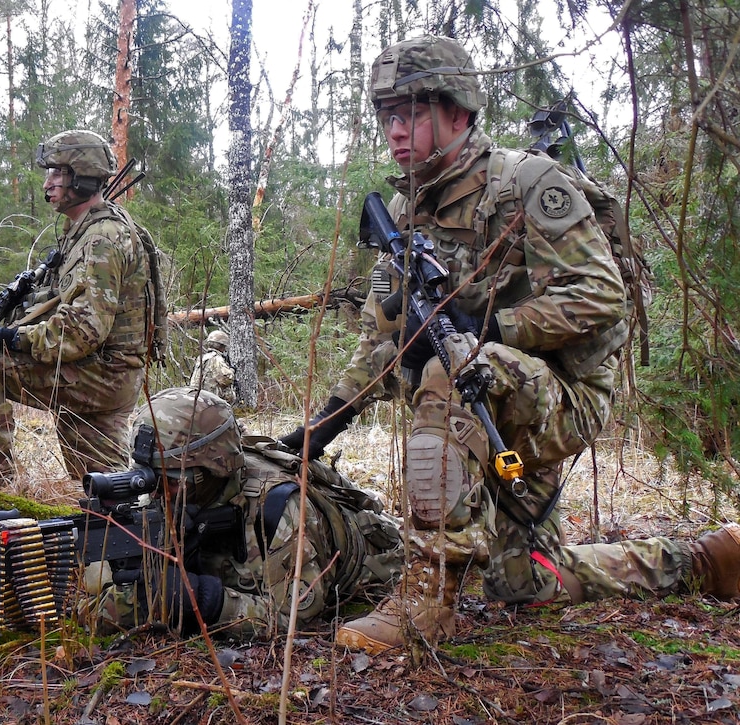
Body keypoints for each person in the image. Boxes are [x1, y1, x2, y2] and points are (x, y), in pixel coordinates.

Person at [278, 35, 740, 654]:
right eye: (388, 115)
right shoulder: (401, 211)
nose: (395, 130)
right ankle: (704, 561)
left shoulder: (528, 185)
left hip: (559, 398)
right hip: (490, 406)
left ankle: (426, 599)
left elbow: (602, 295)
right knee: (519, 581)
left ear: (460, 114)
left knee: (453, 363)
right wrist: (326, 423)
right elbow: (378, 338)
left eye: (412, 113)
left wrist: (492, 330)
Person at [86, 387, 403, 638]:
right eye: (148, 476)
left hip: (379, 559)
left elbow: (295, 618)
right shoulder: (162, 495)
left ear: (214, 467)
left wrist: (204, 599)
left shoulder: (280, 506)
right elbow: (99, 605)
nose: (156, 493)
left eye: (170, 480)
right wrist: (133, 591)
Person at [0, 129, 160, 483]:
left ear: (82, 177)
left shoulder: (100, 240)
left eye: (57, 173)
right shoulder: (88, 229)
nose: (47, 183)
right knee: (104, 494)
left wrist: (6, 338)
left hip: (101, 374)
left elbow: (82, 330)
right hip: (110, 373)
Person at [188, 329, 237, 404]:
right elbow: (226, 380)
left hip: (199, 398)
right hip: (212, 401)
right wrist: (232, 371)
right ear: (221, 346)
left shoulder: (202, 358)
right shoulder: (216, 359)